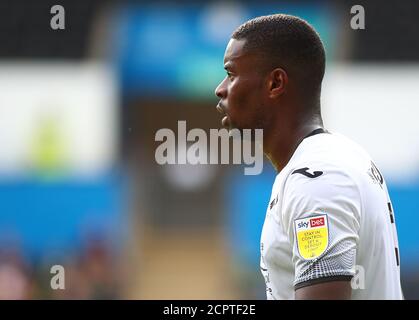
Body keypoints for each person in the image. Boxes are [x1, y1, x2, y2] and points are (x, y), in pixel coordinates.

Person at [214, 14, 403, 299]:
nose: (221, 88)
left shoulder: (317, 177)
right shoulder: (333, 158)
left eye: (231, 74)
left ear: (275, 83)